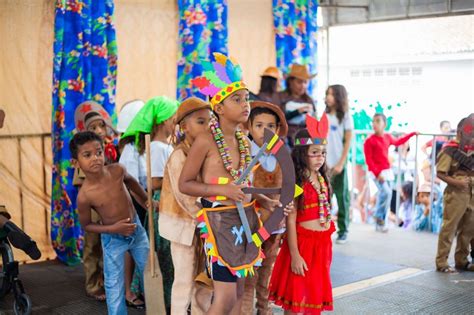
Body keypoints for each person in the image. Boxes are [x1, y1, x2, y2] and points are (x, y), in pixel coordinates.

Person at [180, 53, 286, 314]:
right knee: (225, 296)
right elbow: (185, 183)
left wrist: (262, 199)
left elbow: (242, 183)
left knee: (239, 291)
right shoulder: (205, 141)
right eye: (237, 100)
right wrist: (221, 190)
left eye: (246, 98)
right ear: (219, 107)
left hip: (245, 220)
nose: (245, 104)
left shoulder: (243, 140)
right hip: (219, 222)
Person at [70, 131, 151, 315]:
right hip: (113, 238)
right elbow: (87, 225)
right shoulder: (85, 196)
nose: (95, 158)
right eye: (87, 155)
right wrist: (113, 229)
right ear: (76, 163)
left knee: (149, 272)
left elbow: (132, 183)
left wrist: (147, 201)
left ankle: (156, 309)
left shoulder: (117, 170)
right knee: (114, 285)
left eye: (98, 152)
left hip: (137, 231)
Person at [268, 113, 335, 314]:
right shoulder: (297, 181)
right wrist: (295, 255)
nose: (320, 158)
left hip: (322, 245)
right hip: (302, 245)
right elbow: (291, 220)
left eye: (322, 153)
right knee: (296, 297)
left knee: (313, 294)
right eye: (314, 152)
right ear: (302, 154)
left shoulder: (322, 178)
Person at [119, 96, 179, 312]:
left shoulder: (163, 146)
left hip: (158, 203)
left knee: (162, 254)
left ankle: (167, 299)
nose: (177, 122)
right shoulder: (155, 147)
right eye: (174, 117)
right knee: (154, 253)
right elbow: (152, 182)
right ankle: (152, 297)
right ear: (163, 120)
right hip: (148, 204)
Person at [159, 97, 213, 314]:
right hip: (184, 229)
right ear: (184, 127)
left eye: (210, 121)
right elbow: (185, 196)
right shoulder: (179, 155)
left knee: (203, 280)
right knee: (184, 280)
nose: (208, 126)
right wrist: (209, 219)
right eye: (201, 122)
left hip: (204, 227)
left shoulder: (206, 152)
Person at [241, 101, 288, 315]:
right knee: (249, 275)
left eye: (270, 126)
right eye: (258, 125)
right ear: (249, 127)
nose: (264, 131)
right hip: (250, 226)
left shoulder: (280, 155)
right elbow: (242, 188)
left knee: (267, 274)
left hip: (275, 225)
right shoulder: (244, 154)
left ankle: (264, 310)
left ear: (277, 129)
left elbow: (287, 187)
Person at [73, 100, 119, 302]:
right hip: (92, 207)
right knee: (92, 245)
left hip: (109, 205)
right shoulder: (86, 155)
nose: (100, 130)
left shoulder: (110, 150)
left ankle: (108, 281)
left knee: (109, 244)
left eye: (102, 126)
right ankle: (92, 285)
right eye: (94, 128)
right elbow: (79, 184)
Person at [363, 113, 417, 232]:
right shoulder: (369, 141)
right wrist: (378, 174)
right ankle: (378, 216)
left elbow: (398, 142)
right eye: (373, 121)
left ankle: (380, 223)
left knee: (386, 195)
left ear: (384, 124)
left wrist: (412, 134)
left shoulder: (387, 137)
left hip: (386, 171)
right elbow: (369, 161)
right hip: (376, 172)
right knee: (386, 193)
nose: (374, 124)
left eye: (377, 121)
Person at [435, 115, 474, 273]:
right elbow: (440, 173)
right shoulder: (450, 149)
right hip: (456, 192)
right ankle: (442, 262)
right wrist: (456, 182)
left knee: (469, 228)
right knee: (450, 227)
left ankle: (462, 261)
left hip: (471, 193)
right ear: (460, 132)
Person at [324, 84, 353, 244]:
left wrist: (341, 163)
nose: (328, 97)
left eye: (332, 94)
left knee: (342, 198)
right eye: (327, 94)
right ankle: (326, 228)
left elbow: (348, 141)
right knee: (325, 197)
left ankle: (343, 230)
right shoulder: (324, 115)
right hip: (325, 165)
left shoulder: (346, 116)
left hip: (339, 165)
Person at [277, 63, 316, 146]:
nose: (303, 86)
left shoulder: (309, 100)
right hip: (284, 141)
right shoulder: (280, 97)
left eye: (305, 82)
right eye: (299, 82)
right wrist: (297, 112)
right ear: (290, 81)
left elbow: (314, 124)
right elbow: (276, 119)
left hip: (304, 142)